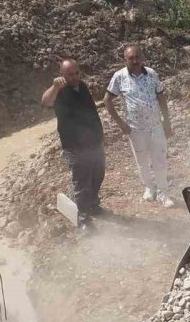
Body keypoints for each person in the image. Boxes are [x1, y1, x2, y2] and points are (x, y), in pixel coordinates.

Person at [104, 45, 175, 208]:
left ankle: (163, 193)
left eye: (137, 57)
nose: (135, 61)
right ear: (125, 59)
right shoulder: (119, 77)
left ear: (142, 57)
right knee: (141, 161)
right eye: (131, 58)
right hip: (135, 129)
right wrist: (121, 123)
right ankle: (149, 188)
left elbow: (161, 97)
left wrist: (167, 122)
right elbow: (107, 100)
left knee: (160, 160)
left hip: (156, 126)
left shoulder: (151, 74)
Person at [41, 59, 106, 228]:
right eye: (70, 74)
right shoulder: (60, 91)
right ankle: (83, 216)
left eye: (77, 73)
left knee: (98, 174)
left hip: (94, 142)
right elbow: (45, 102)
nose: (75, 77)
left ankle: (93, 204)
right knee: (82, 181)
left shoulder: (83, 87)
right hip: (75, 146)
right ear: (62, 75)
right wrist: (55, 87)